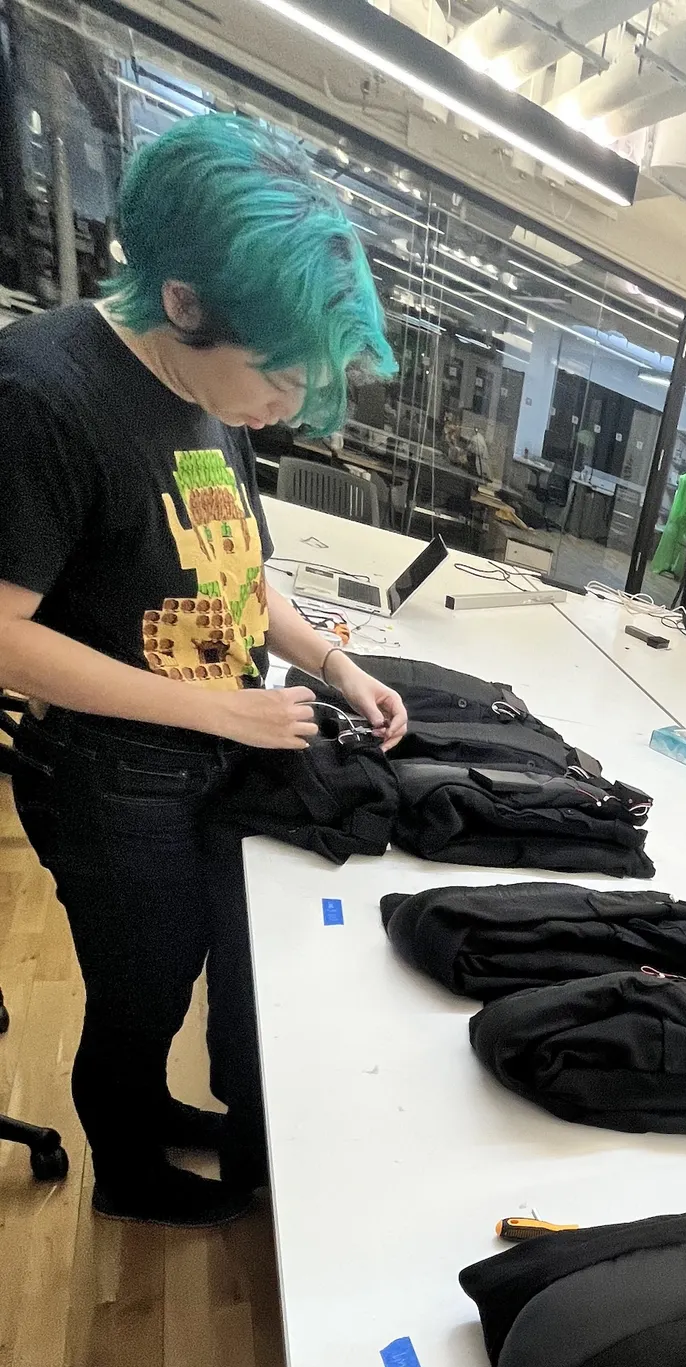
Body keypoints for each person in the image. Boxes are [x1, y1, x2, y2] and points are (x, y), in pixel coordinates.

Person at [0, 113, 405, 1227]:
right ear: (183, 301)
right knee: (136, 989)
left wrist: (329, 662)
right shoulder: (44, 394)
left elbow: (236, 570)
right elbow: (3, 634)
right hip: (107, 777)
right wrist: (218, 712)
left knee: (173, 969)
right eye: (276, 379)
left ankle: (158, 1114)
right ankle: (125, 1178)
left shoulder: (203, 391)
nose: (280, 410)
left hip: (194, 757)